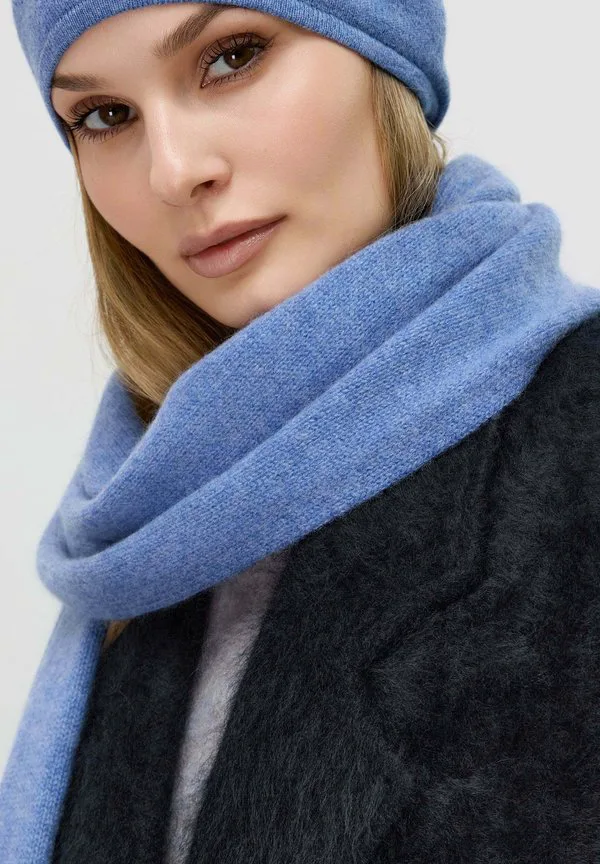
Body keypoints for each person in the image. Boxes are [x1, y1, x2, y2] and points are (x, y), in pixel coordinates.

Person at [2, 2, 600, 862]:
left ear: (384, 53)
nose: (173, 171)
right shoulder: (148, 516)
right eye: (105, 115)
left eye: (232, 57)